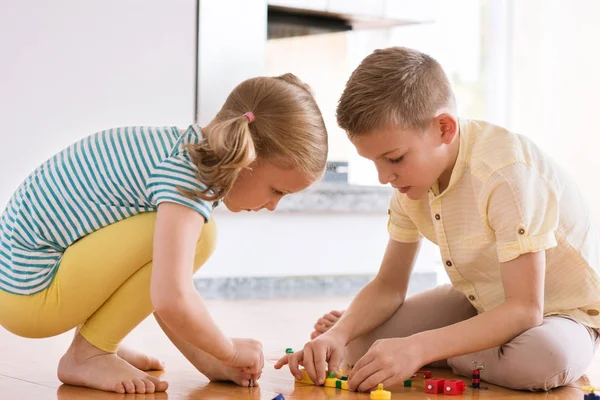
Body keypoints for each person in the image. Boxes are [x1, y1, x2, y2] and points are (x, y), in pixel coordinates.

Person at [276, 47, 600, 392]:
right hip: (479, 299)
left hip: (560, 313)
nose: (385, 177)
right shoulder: (410, 183)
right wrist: (338, 333)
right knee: (360, 346)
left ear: (444, 128)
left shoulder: (505, 174)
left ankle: (456, 347)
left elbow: (524, 310)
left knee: (540, 359)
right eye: (374, 162)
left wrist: (417, 347)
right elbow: (389, 285)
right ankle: (473, 342)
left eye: (394, 158)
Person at [0, 73, 328, 394]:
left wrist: (213, 362)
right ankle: (89, 353)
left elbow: (160, 283)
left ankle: (99, 342)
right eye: (277, 190)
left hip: (19, 284)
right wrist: (227, 350)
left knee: (181, 244)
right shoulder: (188, 178)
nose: (273, 206)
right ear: (246, 156)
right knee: (202, 237)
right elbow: (171, 296)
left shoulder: (180, 151)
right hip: (29, 294)